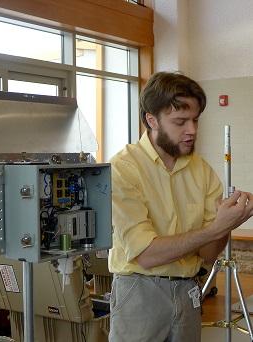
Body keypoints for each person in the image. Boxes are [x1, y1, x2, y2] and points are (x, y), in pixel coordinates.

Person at [108, 71, 253, 342]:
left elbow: (208, 254)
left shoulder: (202, 171)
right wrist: (214, 229)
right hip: (139, 293)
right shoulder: (123, 169)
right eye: (180, 122)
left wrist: (227, 223)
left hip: (189, 290)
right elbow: (146, 255)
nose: (193, 130)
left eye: (195, 120)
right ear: (151, 120)